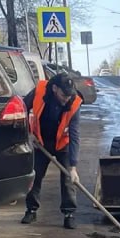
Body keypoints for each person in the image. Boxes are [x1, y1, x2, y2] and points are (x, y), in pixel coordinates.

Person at [21, 72, 82, 229]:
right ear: (55, 88)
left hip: (63, 143)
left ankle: (69, 214)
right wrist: (28, 133)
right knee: (35, 175)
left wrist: (73, 167)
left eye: (69, 95)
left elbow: (75, 135)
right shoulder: (39, 92)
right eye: (63, 95)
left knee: (68, 178)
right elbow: (21, 109)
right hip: (41, 142)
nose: (66, 99)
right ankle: (31, 210)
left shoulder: (74, 102)